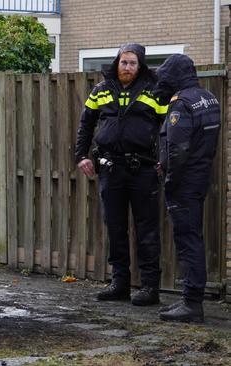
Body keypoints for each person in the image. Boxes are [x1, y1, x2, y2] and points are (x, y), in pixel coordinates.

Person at [75, 43, 167, 306]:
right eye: (123, 62)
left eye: (133, 63)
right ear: (117, 63)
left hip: (143, 170)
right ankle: (120, 284)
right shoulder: (101, 90)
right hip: (110, 169)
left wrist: (164, 160)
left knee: (146, 230)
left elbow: (167, 130)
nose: (127, 67)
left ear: (140, 66)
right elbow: (86, 123)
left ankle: (150, 287)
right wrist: (81, 156)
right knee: (115, 228)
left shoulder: (154, 91)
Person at [153, 54, 220, 323]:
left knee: (187, 239)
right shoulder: (208, 98)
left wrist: (169, 180)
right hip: (200, 176)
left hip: (184, 182)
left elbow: (177, 148)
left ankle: (192, 303)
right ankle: (189, 298)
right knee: (193, 236)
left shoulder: (181, 104)